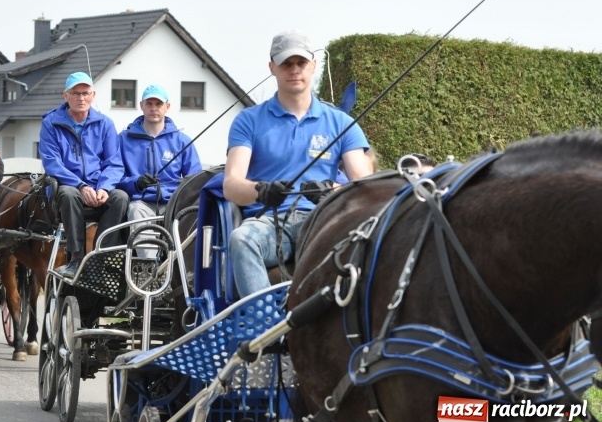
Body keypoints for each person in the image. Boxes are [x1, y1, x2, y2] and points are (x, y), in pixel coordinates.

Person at [223, 30, 375, 297]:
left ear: (313, 65)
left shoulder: (341, 123)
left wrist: (332, 191)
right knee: (241, 239)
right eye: (286, 63)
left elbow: (364, 185)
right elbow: (232, 185)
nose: (294, 70)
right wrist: (261, 190)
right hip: (268, 223)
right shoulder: (248, 120)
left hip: (324, 220)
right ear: (272, 68)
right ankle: (266, 329)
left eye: (301, 63)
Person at [40, 72, 128, 277]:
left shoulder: (105, 124)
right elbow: (52, 163)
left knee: (121, 197)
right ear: (65, 96)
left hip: (98, 188)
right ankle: (76, 258)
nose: (81, 98)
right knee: (69, 194)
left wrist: (104, 188)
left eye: (86, 93)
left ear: (93, 95)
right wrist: (81, 186)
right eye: (76, 93)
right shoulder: (50, 123)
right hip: (68, 186)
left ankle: (101, 258)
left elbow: (114, 163)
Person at [117, 84, 203, 258]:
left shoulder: (182, 141)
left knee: (194, 214)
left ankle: (182, 271)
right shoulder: (122, 139)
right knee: (135, 210)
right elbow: (114, 176)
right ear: (141, 105)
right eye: (149, 104)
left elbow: (195, 179)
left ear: (167, 107)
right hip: (141, 204)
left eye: (158, 104)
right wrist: (136, 183)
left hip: (174, 205)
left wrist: (179, 196)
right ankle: (150, 272)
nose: (154, 108)